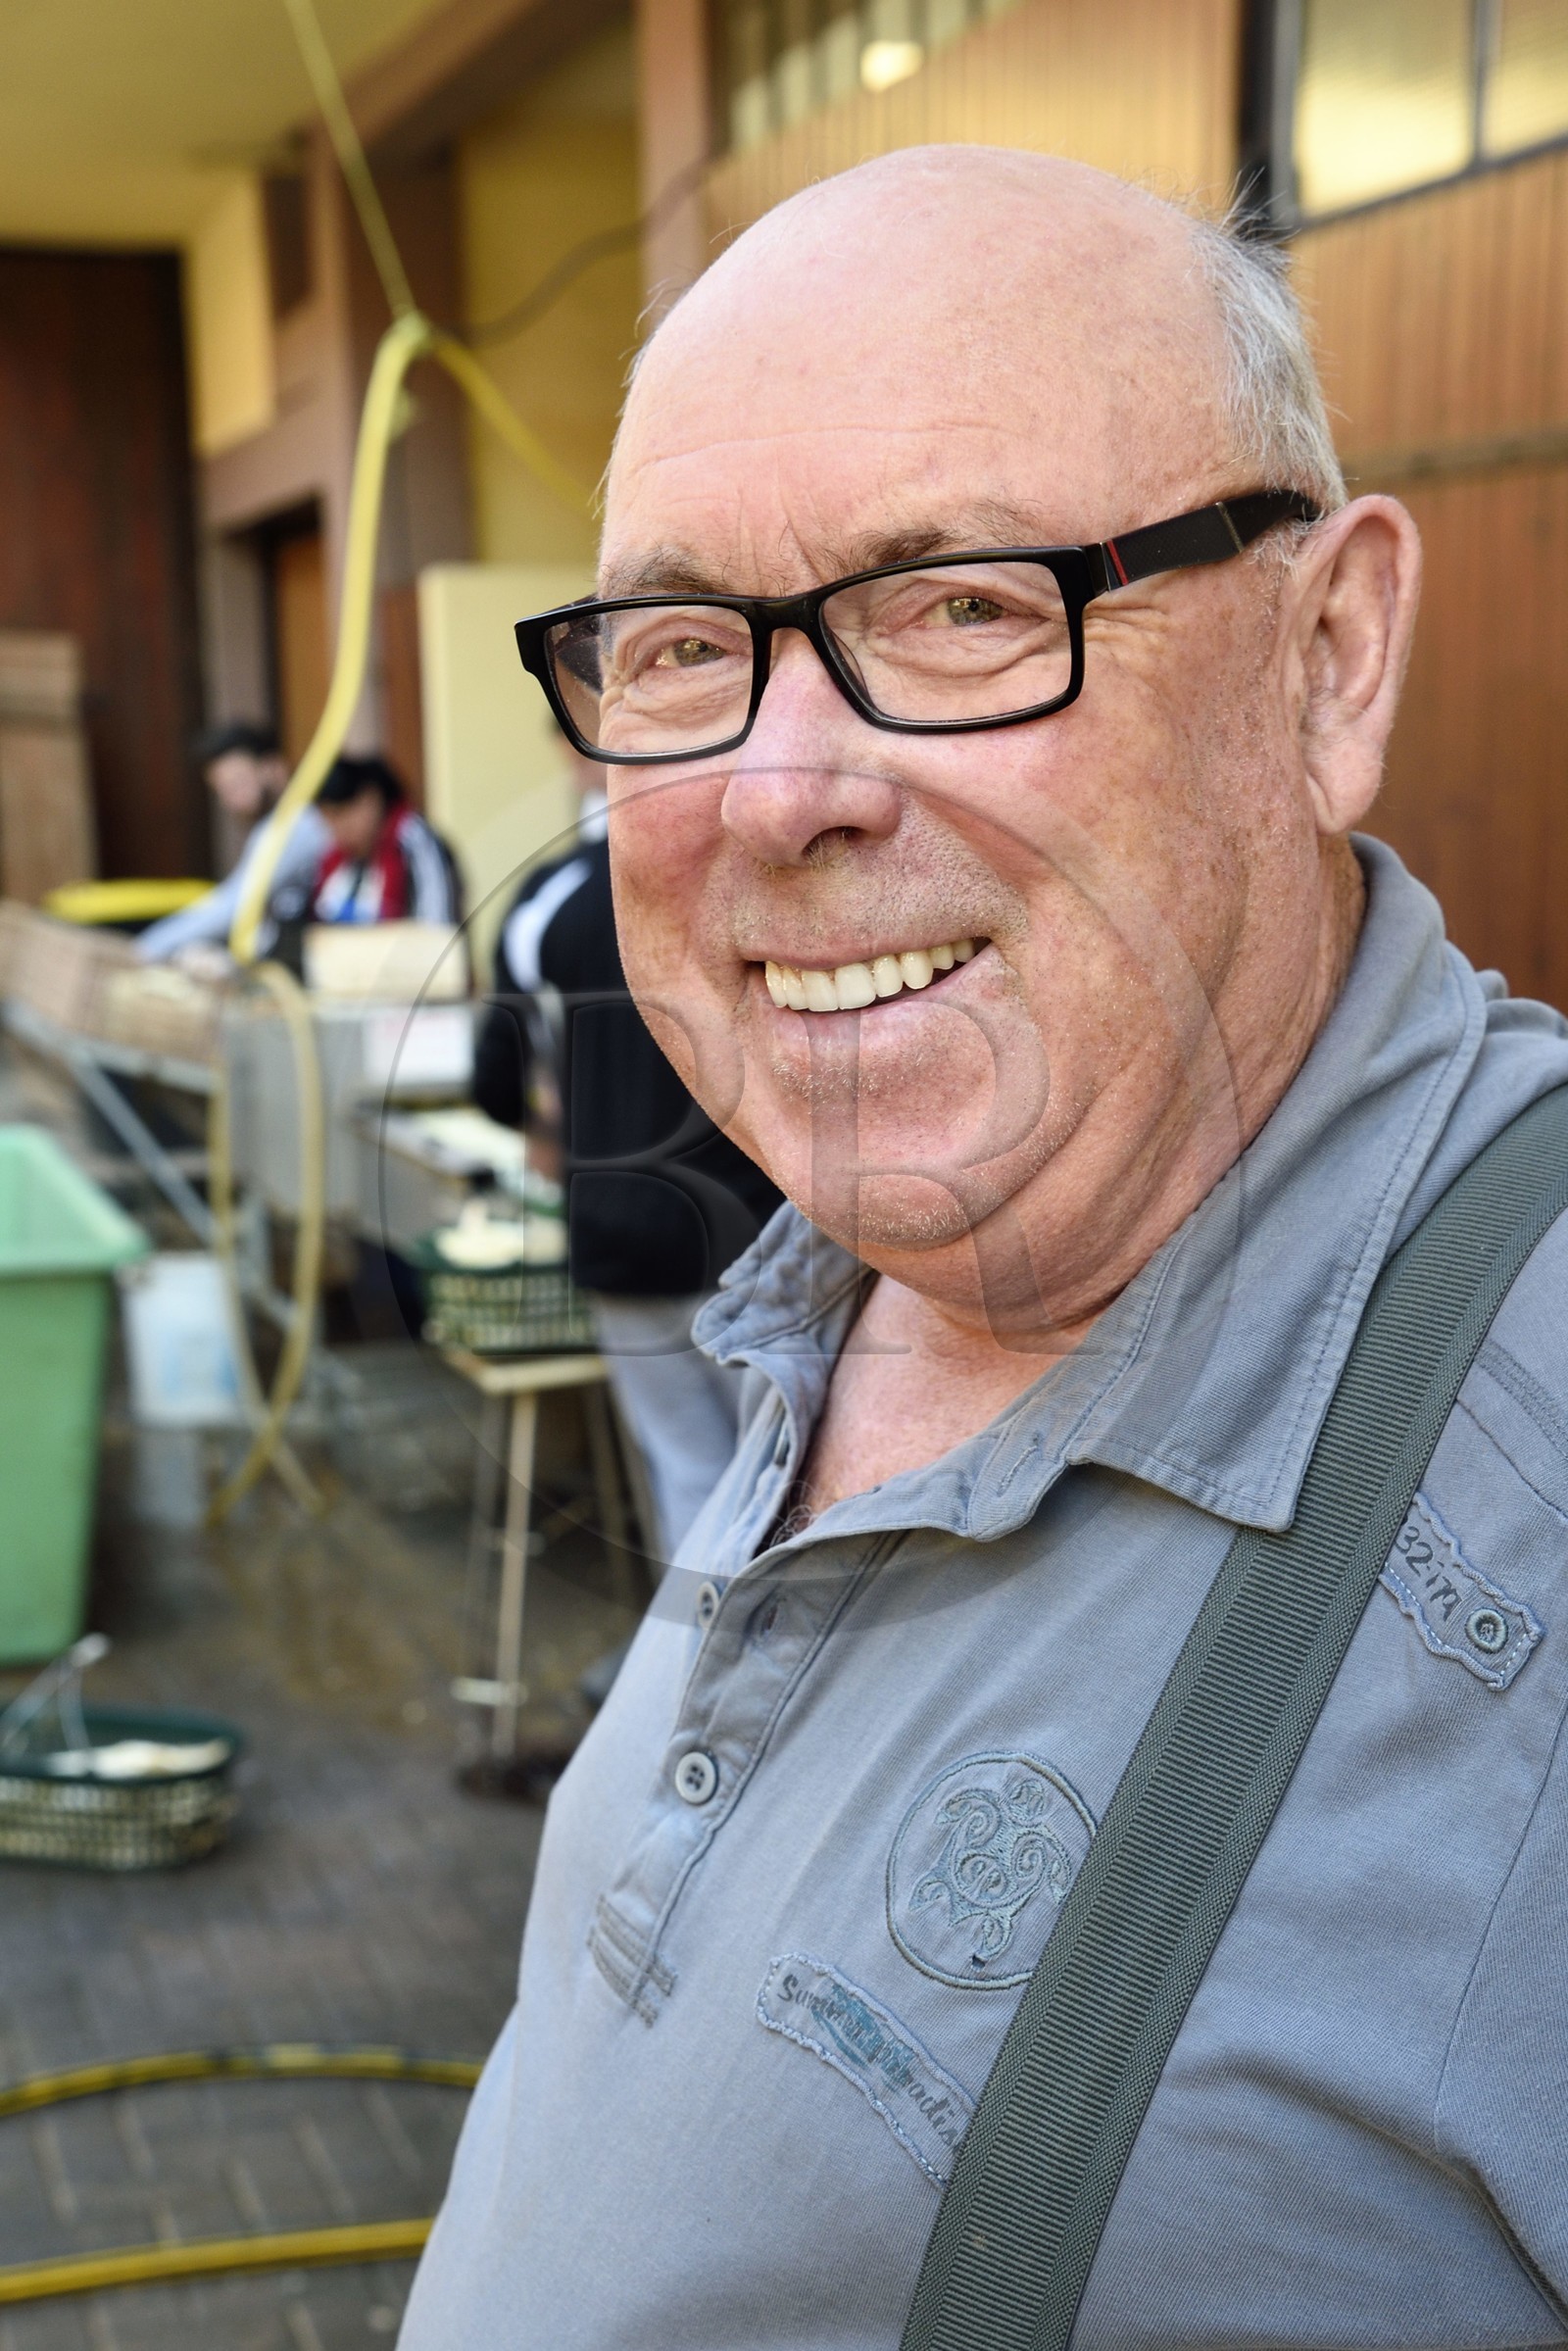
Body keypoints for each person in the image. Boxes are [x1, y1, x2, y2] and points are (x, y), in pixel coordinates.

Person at [400, 150, 1568, 2350]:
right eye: (675, 649)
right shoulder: (855, 1259)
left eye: (962, 605)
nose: (774, 789)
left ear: (1327, 657)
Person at [472, 737, 782, 1571]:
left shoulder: (547, 898)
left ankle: (689, 1688)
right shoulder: (752, 869)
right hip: (751, 1226)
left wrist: (554, 1128)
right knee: (785, 1483)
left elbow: (497, 1076)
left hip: (617, 1229)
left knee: (689, 1470)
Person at [136, 718, 329, 961]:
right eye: (224, 789)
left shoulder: (296, 823)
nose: (234, 799)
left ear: (273, 767)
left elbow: (235, 904)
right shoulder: (275, 824)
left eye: (239, 782)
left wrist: (143, 950)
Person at [310, 754, 460, 925]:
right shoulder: (335, 858)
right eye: (328, 820)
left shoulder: (413, 839)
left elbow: (438, 922)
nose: (337, 829)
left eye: (341, 815)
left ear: (371, 800)